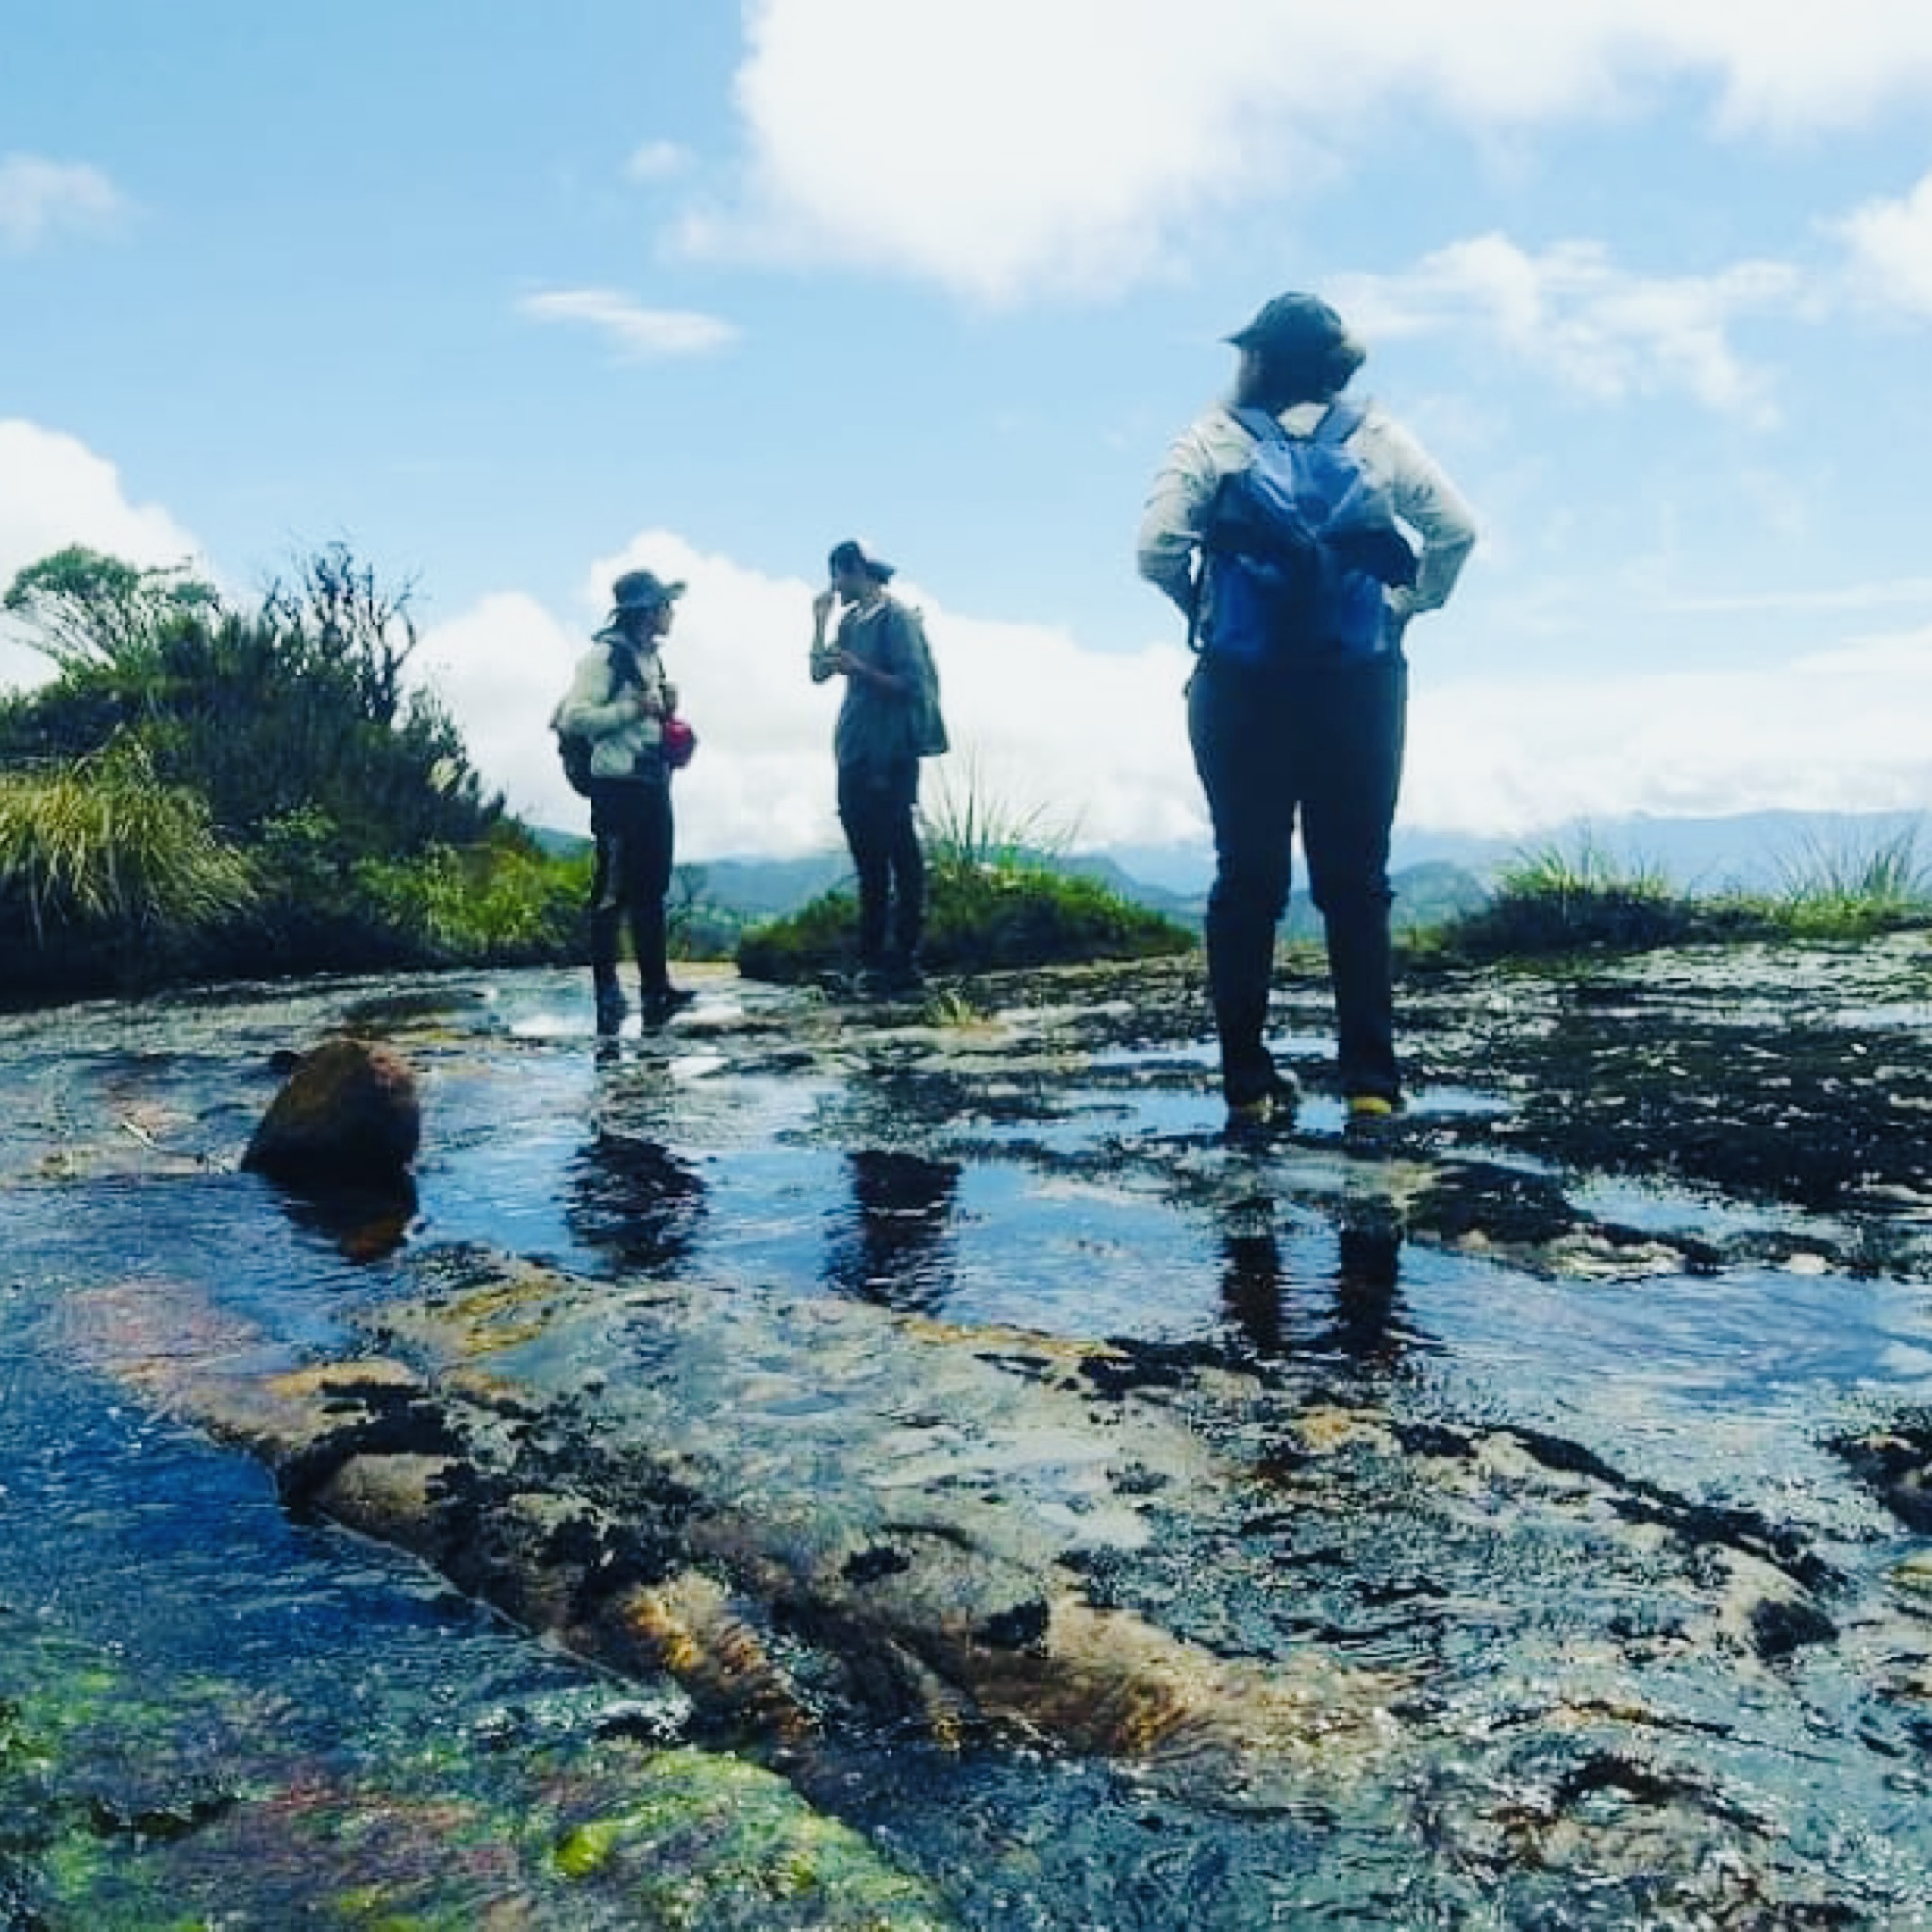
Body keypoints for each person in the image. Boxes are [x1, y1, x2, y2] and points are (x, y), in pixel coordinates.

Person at [1137, 291, 1476, 1131]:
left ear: (1253, 358)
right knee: (1356, 884)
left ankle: (1248, 1084)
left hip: (1241, 689)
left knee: (1245, 880)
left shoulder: (1213, 438)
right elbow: (1457, 530)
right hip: (1357, 685)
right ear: (1336, 364)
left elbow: (1154, 550)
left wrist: (1198, 612)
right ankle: (1370, 1083)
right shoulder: (1377, 436)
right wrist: (1407, 605)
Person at [551, 566, 696, 1034]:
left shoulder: (650, 658)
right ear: (646, 611)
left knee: (652, 889)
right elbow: (575, 717)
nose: (670, 613)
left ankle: (657, 986)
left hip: (653, 785)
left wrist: (665, 709)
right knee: (612, 890)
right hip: (617, 788)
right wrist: (635, 709)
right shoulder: (604, 657)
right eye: (665, 606)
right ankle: (608, 990)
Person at [809, 539, 948, 994]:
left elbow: (913, 684)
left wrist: (862, 670)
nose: (835, 584)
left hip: (891, 751)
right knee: (867, 855)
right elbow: (818, 672)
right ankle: (871, 957)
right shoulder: (850, 621)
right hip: (854, 749)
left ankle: (902, 956)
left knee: (898, 852)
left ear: (856, 571)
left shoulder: (897, 619)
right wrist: (819, 624)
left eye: (838, 575)